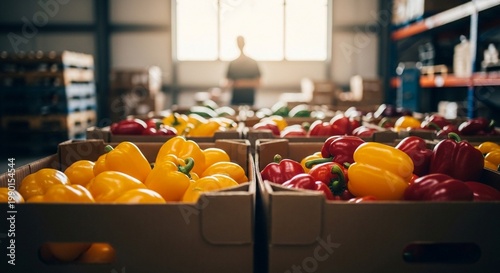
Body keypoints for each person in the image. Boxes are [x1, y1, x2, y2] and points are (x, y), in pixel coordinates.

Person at [223, 36, 261, 106]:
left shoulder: (252, 63)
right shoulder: (232, 63)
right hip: (235, 101)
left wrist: (240, 83)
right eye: (238, 42)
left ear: (244, 43)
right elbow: (226, 82)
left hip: (249, 101)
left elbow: (258, 83)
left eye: (241, 42)